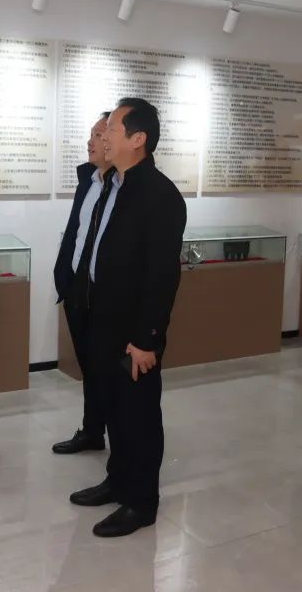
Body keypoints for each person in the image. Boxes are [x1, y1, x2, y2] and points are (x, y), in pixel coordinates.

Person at [67, 97, 186, 538]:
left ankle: (141, 501)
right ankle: (117, 480)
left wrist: (147, 338)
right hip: (102, 319)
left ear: (138, 139)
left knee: (139, 416)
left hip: (134, 332)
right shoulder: (111, 185)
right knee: (114, 409)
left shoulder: (160, 196)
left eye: (112, 129)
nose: (104, 136)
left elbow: (162, 276)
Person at [51, 111, 111, 454]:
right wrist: (65, 279)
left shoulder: (124, 188)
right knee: (89, 366)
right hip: (77, 289)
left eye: (100, 135)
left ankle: (117, 439)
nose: (91, 142)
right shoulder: (89, 180)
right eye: (91, 134)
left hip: (104, 294)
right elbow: (77, 232)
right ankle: (92, 431)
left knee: (107, 371)